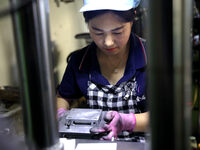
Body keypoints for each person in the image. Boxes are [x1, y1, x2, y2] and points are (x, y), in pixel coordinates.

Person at [57, 0, 149, 142]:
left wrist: (127, 121)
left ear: (132, 20)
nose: (108, 42)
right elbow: (63, 96)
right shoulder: (79, 61)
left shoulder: (153, 57)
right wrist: (60, 114)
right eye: (98, 32)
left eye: (117, 32)